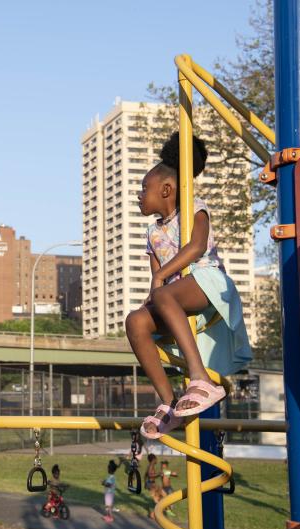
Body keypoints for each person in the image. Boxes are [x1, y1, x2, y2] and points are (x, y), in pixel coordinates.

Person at [125, 132, 252, 439]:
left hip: (206, 279)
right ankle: (168, 402)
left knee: (164, 294)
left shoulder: (195, 207)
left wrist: (159, 281)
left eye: (144, 188)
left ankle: (200, 379)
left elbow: (195, 248)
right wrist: (150, 298)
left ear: (167, 189)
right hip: (174, 294)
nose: (139, 195)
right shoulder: (152, 233)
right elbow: (156, 275)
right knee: (135, 321)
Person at [145, 454, 164, 520]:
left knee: (160, 497)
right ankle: (153, 514)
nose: (157, 460)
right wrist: (159, 474)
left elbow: (146, 474)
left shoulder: (150, 466)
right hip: (151, 484)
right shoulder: (151, 466)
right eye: (156, 459)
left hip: (151, 484)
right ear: (153, 460)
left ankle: (154, 514)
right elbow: (150, 475)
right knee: (157, 500)